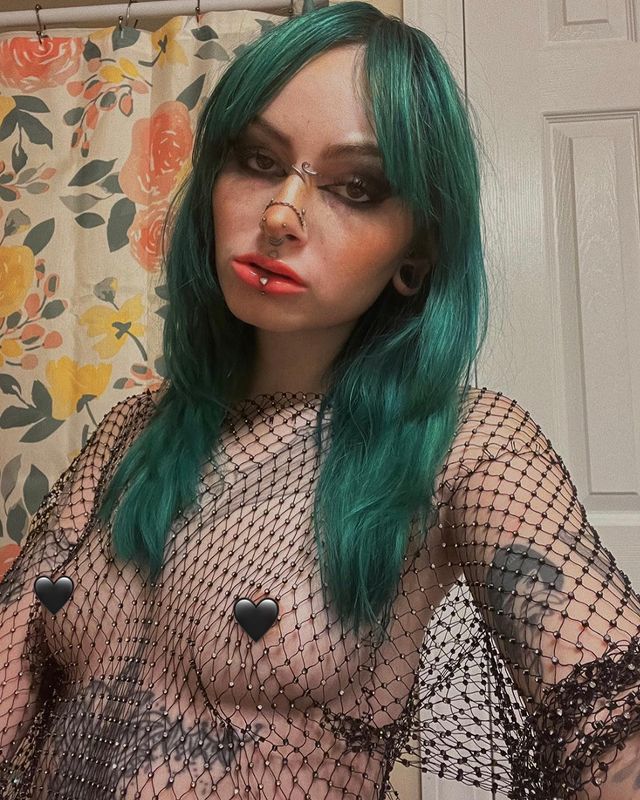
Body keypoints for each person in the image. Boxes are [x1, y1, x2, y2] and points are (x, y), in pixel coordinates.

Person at [1, 2, 639, 798]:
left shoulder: (464, 444)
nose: (280, 214)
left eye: (357, 187)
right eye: (258, 160)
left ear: (415, 251)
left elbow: (613, 709)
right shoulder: (131, 434)